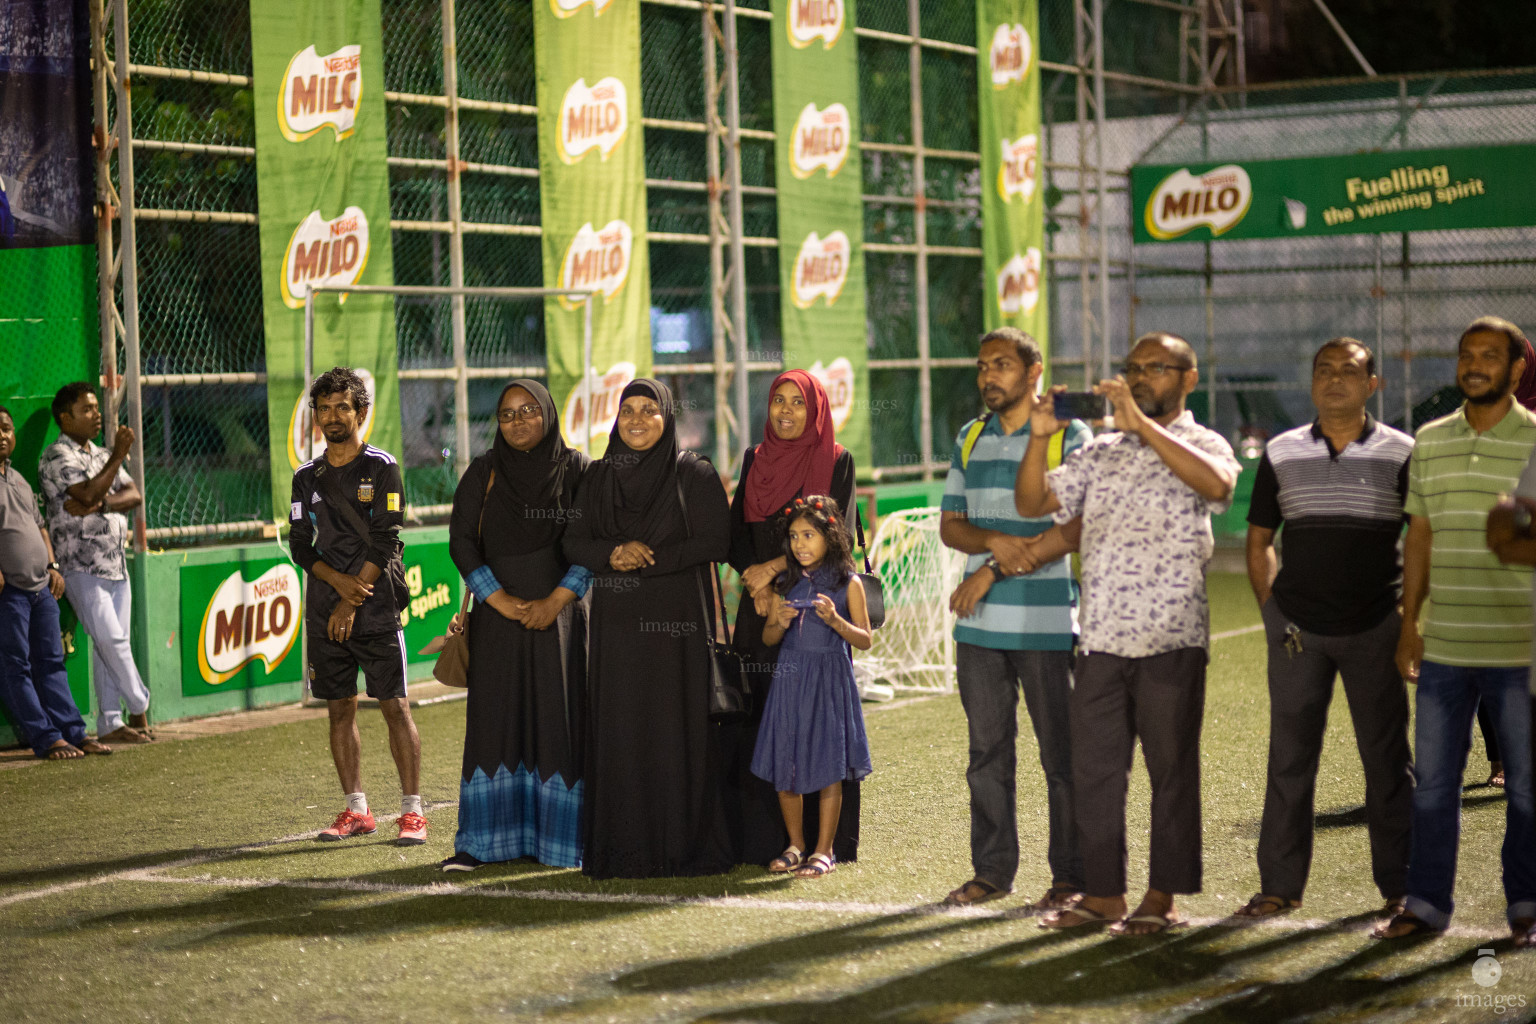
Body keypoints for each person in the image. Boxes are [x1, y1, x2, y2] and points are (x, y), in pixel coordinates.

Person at [1015, 331, 1240, 936]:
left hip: (1171, 636)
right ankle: (1105, 897)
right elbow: (1034, 502)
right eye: (1133, 369)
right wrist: (1039, 440)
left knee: (1171, 774)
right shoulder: (1101, 450)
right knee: (1095, 774)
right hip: (1101, 640)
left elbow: (1219, 487)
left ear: (1188, 378)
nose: (1141, 378)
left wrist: (1143, 425)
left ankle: (1161, 899)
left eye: (1156, 369)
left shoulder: (1202, 441)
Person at [1235, 338, 1414, 921]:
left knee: (1387, 762)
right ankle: (1279, 886)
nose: (1335, 380)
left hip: (1375, 628)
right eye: (1324, 371)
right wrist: (1272, 614)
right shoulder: (1283, 452)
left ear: (1372, 384)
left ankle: (1402, 886)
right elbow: (1259, 541)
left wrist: (1407, 618)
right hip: (1298, 634)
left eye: (1349, 371)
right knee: (1289, 761)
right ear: (1311, 383)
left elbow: (1423, 540)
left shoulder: (1402, 452)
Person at [1377, 316, 1536, 941]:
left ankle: (1526, 904)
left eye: (1490, 356)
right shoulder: (1431, 440)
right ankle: (1425, 904)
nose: (1475, 365)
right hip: (1444, 644)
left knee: (1526, 788)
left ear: (1517, 368)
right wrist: (1409, 623)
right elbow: (1419, 533)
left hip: (1521, 646)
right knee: (1435, 787)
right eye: (1467, 354)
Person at [938, 327, 1090, 909]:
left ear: (1034, 371)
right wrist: (997, 541)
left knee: (1062, 758)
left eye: (1000, 364)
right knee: (986, 758)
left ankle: (1070, 878)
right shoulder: (970, 436)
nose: (987, 377)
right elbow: (952, 525)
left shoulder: (1070, 435)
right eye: (982, 366)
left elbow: (1068, 530)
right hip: (978, 630)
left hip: (1048, 625)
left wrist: (992, 567)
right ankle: (992, 872)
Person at [564, 378, 734, 878]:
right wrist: (612, 553)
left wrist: (647, 562)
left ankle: (682, 848)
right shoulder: (596, 478)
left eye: (649, 410)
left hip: (677, 629)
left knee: (675, 730)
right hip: (616, 631)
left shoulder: (694, 475)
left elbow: (716, 541)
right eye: (627, 411)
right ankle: (623, 850)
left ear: (667, 418)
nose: (637, 420)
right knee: (621, 731)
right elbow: (572, 542)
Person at [441, 380, 593, 872]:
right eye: (507, 415)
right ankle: (483, 844)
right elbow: (462, 540)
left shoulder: (578, 471)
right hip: (499, 622)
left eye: (529, 410)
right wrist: (499, 600)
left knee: (559, 723)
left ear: (547, 413)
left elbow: (594, 541)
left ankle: (561, 843)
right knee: (495, 724)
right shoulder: (484, 471)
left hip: (564, 621)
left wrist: (555, 601)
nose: (518, 421)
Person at [726, 369, 859, 867]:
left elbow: (836, 537)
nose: (785, 411)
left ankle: (827, 845)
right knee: (763, 720)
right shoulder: (754, 459)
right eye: (777, 401)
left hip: (815, 608)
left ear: (816, 409)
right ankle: (770, 842)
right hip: (759, 608)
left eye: (797, 403)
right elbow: (736, 534)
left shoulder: (836, 460)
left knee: (820, 723)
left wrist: (774, 571)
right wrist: (755, 582)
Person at [288, 367, 426, 846]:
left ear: (360, 412)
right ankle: (357, 810)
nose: (332, 416)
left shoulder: (382, 467)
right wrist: (336, 586)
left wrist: (353, 597)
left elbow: (387, 538)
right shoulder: (306, 477)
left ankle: (412, 812)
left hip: (375, 605)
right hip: (327, 606)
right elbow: (300, 546)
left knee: (395, 706)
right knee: (339, 709)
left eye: (342, 407)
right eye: (323, 408)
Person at [752, 496, 873, 880]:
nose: (800, 544)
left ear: (831, 536)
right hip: (789, 680)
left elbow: (865, 639)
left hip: (828, 680)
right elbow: (769, 639)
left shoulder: (847, 582)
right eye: (793, 536)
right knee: (785, 760)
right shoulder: (784, 581)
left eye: (809, 535)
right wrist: (780, 621)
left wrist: (836, 621)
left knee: (828, 765)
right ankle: (795, 845)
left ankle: (824, 850)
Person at [38, 382, 152, 745]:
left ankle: (110, 722)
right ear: (64, 417)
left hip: (116, 561)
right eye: (86, 409)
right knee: (112, 639)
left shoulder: (100, 454)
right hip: (79, 564)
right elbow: (85, 492)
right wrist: (118, 456)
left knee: (111, 647)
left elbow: (133, 494)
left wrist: (102, 504)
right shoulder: (57, 455)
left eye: (95, 408)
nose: (96, 414)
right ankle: (140, 703)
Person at [0, 407, 107, 759]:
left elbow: (41, 527)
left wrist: (53, 566)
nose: (3, 435)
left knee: (51, 661)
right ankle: (46, 739)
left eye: (7, 429)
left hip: (42, 588)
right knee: (17, 666)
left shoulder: (18, 479)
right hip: (9, 593)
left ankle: (75, 733)